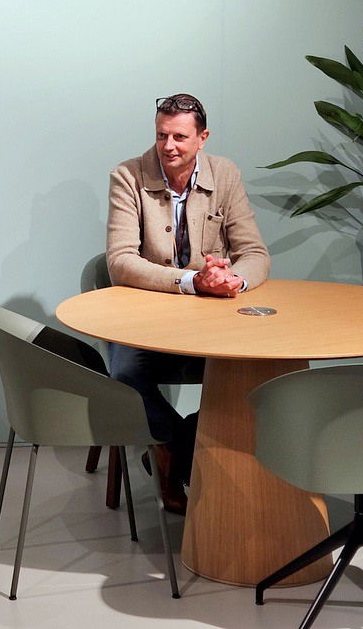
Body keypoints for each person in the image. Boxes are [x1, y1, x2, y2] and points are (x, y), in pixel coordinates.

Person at [105, 93, 270, 512]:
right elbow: (120, 262)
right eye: (162, 135)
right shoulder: (128, 175)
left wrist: (233, 279)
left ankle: (189, 450)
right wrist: (192, 281)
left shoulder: (225, 174)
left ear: (202, 138)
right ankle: (181, 445)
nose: (168, 145)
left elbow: (255, 253)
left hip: (210, 322)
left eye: (179, 136)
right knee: (124, 374)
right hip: (144, 316)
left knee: (259, 367)